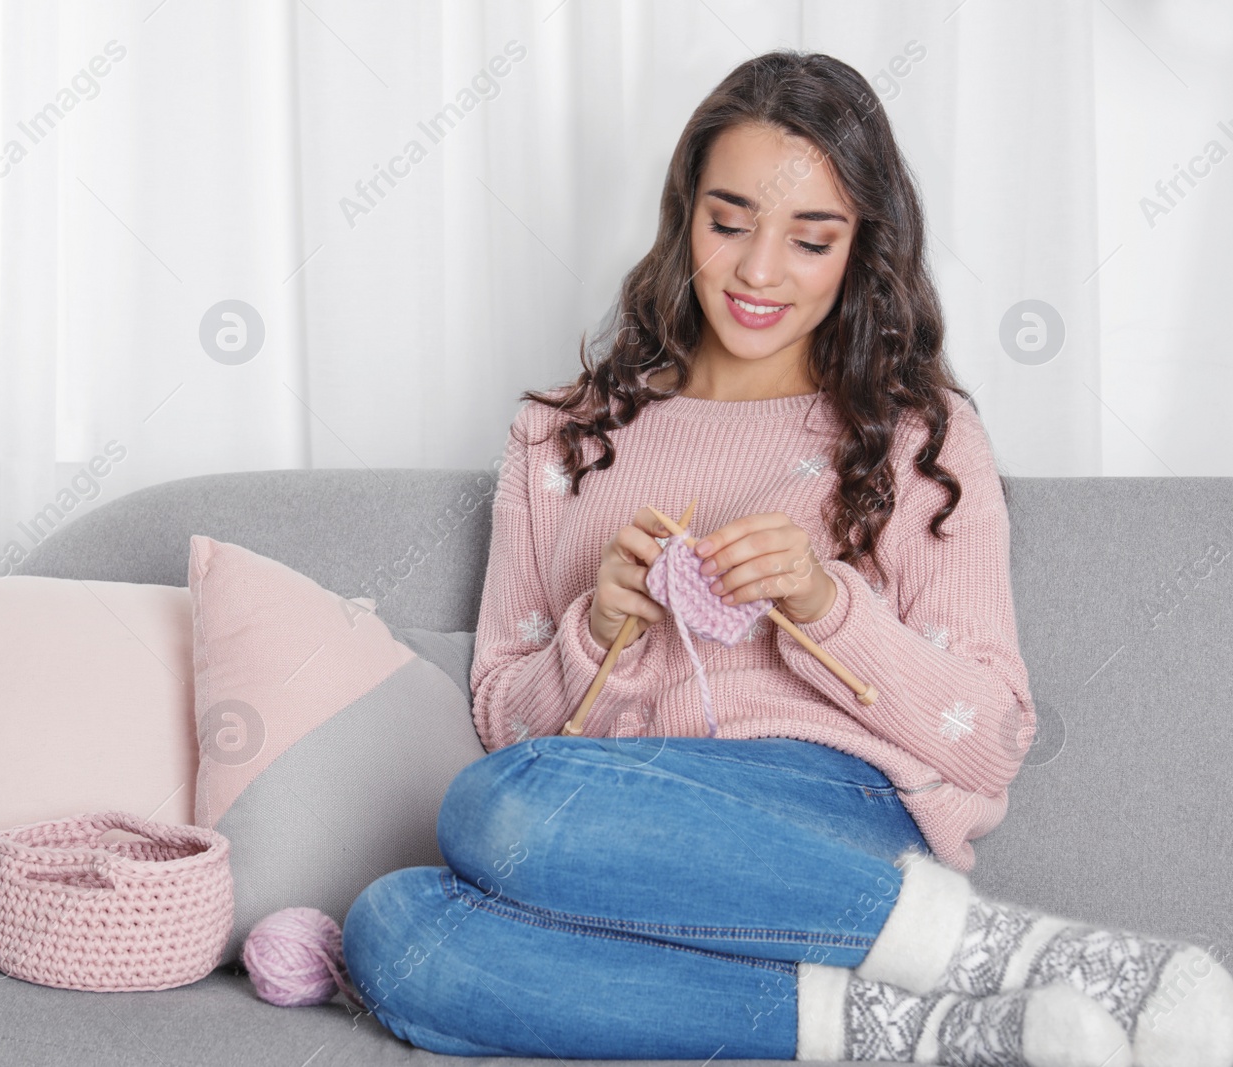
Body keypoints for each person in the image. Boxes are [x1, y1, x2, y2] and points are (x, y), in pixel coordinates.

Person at [339, 50, 1233, 1066]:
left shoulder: (915, 437)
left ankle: (1016, 949)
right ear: (683, 218)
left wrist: (823, 602)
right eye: (728, 224)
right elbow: (502, 712)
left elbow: (988, 735)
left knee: (495, 804)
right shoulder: (558, 435)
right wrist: (599, 628)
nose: (759, 273)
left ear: (860, 250)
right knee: (393, 926)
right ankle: (935, 1031)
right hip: (613, 830)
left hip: (823, 819)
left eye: (811, 240)